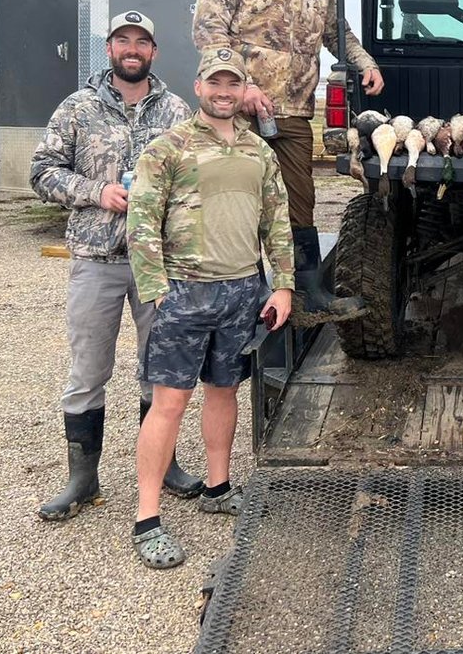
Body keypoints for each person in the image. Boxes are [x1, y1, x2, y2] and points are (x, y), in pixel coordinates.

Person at [126, 47, 296, 569]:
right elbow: (141, 221)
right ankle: (147, 517)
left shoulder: (258, 151)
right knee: (169, 403)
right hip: (184, 292)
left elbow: (277, 218)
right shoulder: (168, 147)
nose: (224, 92)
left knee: (224, 392)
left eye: (233, 83)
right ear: (198, 87)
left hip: (242, 290)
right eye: (214, 82)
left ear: (243, 91)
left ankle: (218, 487)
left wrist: (283, 284)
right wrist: (157, 291)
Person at [29, 10, 201, 522]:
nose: (132, 49)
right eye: (123, 41)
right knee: (87, 372)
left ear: (154, 52)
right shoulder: (78, 109)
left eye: (142, 42)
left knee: (160, 372)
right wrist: (95, 191)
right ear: (109, 49)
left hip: (158, 266)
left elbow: (194, 179)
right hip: (96, 260)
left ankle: (164, 464)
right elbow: (41, 172)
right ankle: (83, 479)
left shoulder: (175, 111)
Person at [192, 0, 383, 281]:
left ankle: (305, 289)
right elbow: (209, 34)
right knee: (236, 201)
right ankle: (239, 288)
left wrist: (367, 63)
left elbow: (337, 33)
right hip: (237, 115)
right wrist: (241, 87)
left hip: (294, 115)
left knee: (299, 204)